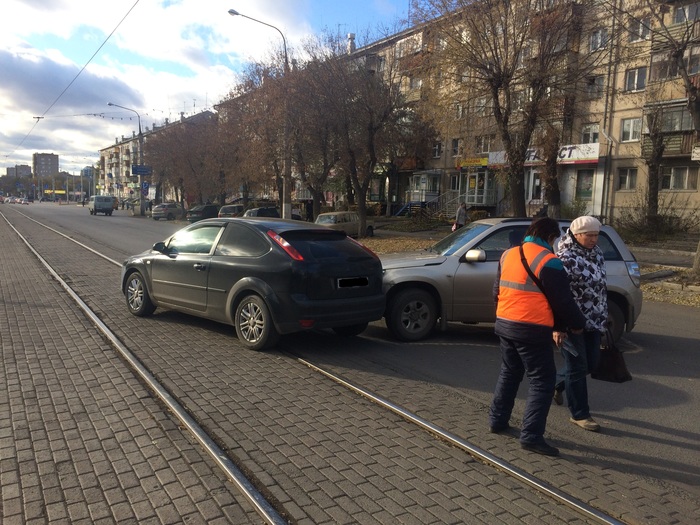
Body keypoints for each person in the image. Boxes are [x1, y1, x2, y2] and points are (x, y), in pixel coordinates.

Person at [489, 217, 586, 456]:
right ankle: (531, 436)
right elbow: (563, 302)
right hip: (531, 328)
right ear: (551, 237)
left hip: (504, 324)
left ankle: (497, 421)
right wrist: (577, 323)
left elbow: (496, 292)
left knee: (509, 372)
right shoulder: (549, 261)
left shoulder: (508, 255)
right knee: (542, 381)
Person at [552, 216, 607, 432]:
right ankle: (580, 414)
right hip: (570, 323)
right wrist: (558, 327)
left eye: (596, 235)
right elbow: (557, 295)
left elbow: (600, 288)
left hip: (594, 321)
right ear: (576, 236)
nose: (594, 239)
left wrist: (603, 316)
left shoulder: (598, 255)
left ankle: (555, 385)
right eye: (589, 235)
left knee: (591, 365)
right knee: (577, 367)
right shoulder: (565, 259)